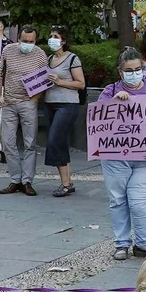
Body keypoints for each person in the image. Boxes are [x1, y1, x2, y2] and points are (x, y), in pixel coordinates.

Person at [98, 48, 146, 259]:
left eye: (137, 69)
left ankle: (144, 244)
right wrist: (114, 102)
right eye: (129, 70)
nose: (134, 73)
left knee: (139, 200)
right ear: (120, 72)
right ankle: (121, 244)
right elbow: (97, 119)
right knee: (118, 199)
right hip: (116, 156)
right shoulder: (110, 90)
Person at [0, 26, 49, 195]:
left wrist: (34, 100)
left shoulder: (40, 55)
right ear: (18, 39)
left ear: (35, 41)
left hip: (28, 102)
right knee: (8, 142)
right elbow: (0, 74)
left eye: (31, 41)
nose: (27, 44)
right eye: (24, 41)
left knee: (30, 143)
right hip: (9, 102)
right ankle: (15, 179)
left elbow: (44, 79)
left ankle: (27, 181)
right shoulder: (8, 50)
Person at [38, 27, 85, 197]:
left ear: (63, 41)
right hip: (50, 103)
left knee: (55, 139)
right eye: (50, 36)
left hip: (67, 104)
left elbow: (81, 84)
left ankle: (66, 183)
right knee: (59, 142)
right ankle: (66, 182)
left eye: (56, 37)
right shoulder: (49, 59)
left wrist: (60, 81)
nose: (52, 39)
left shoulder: (72, 58)